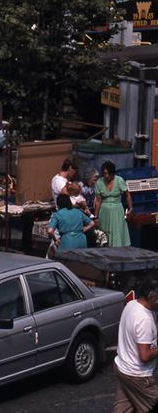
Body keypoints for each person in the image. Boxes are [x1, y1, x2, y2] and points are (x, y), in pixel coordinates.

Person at [114, 277, 158, 413]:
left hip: (122, 368)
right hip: (137, 376)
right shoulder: (144, 319)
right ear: (153, 297)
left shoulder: (132, 304)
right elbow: (144, 356)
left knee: (123, 409)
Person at [96, 160, 133, 247]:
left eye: (108, 173)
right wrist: (96, 216)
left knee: (117, 231)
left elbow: (128, 195)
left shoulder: (119, 180)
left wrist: (130, 208)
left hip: (117, 211)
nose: (106, 175)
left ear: (113, 173)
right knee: (105, 233)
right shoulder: (99, 182)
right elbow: (98, 200)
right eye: (104, 173)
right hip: (104, 212)